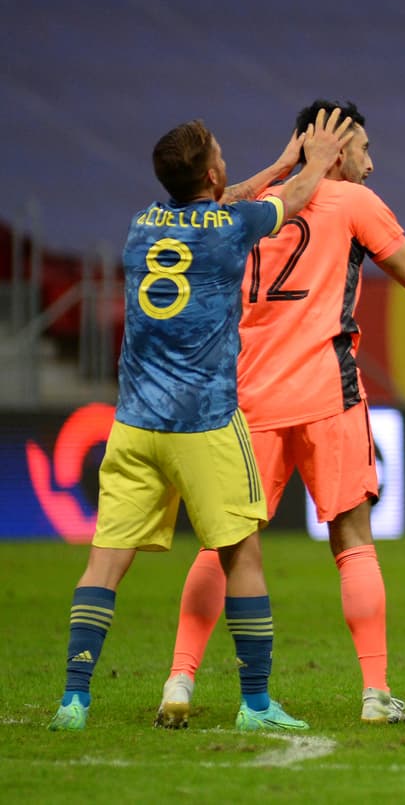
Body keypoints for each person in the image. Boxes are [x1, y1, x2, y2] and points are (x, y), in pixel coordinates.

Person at [154, 100, 405, 729]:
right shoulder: (352, 203)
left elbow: (198, 211)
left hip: (250, 400)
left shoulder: (242, 205)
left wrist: (284, 165)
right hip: (328, 395)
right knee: (352, 543)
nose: (371, 166)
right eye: (365, 150)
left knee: (223, 546)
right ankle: (375, 693)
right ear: (336, 150)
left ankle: (179, 680)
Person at [50, 109, 353, 731]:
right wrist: (314, 162)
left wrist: (273, 165)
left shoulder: (141, 225)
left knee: (105, 561)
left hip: (133, 425)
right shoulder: (228, 227)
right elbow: (289, 204)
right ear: (214, 173)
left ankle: (74, 700)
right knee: (242, 555)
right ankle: (257, 704)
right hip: (206, 425)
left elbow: (219, 201)